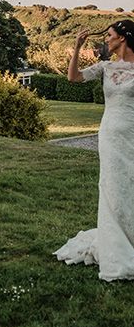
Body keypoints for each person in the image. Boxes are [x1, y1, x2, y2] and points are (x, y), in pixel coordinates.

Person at [54, 20, 134, 281]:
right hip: (110, 135)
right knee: (112, 186)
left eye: (109, 36)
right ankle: (115, 245)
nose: (106, 41)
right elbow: (73, 77)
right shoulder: (105, 67)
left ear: (122, 38)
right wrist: (76, 48)